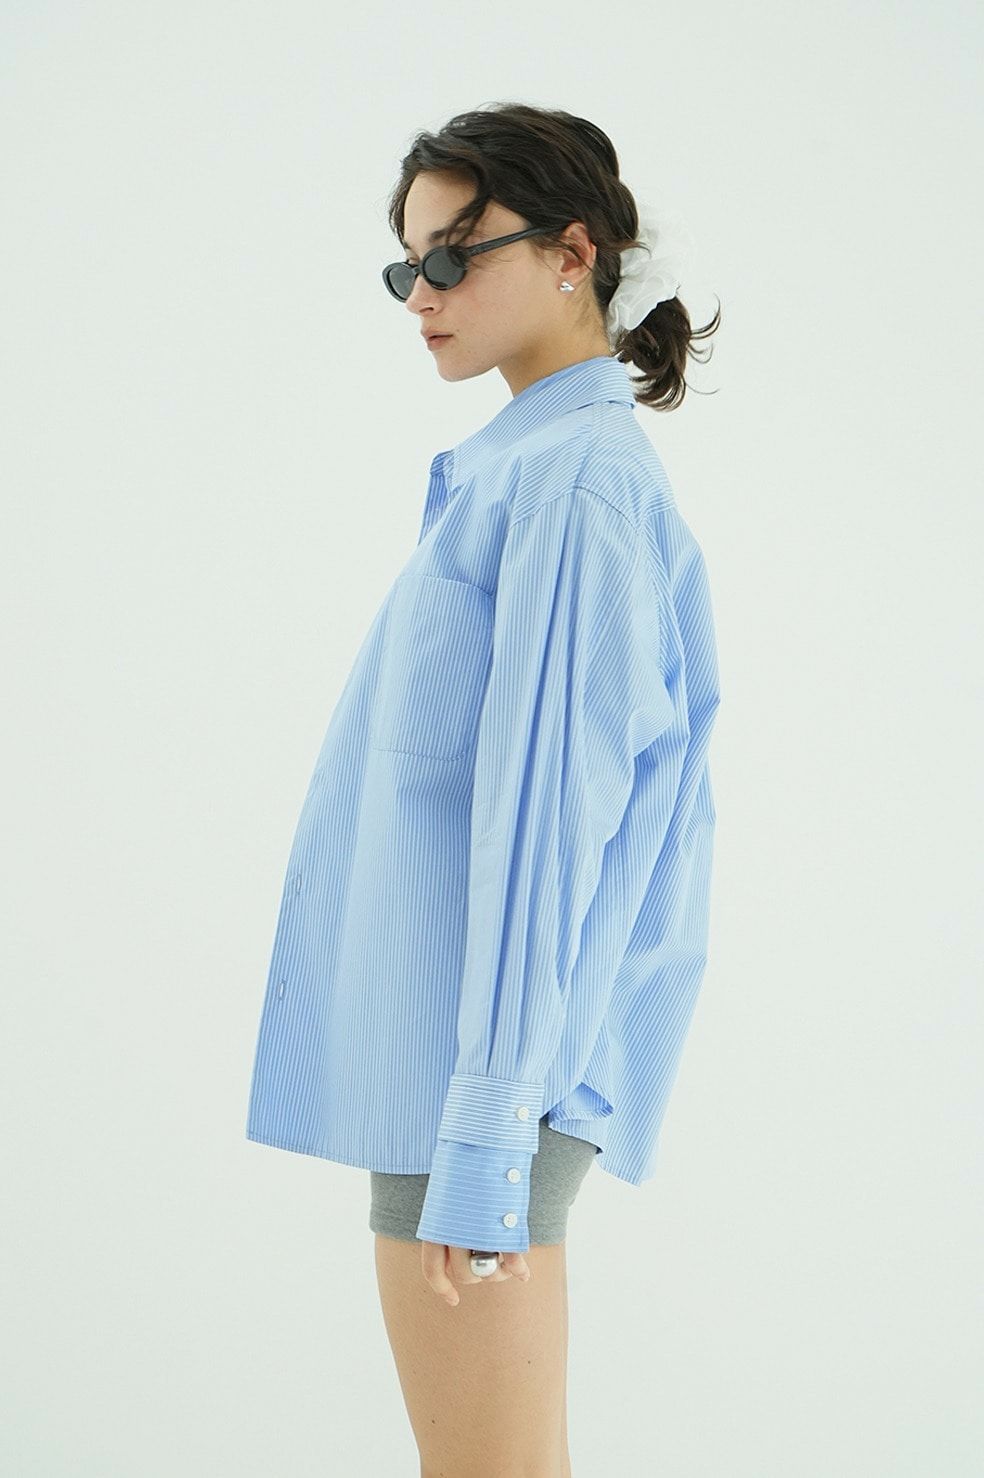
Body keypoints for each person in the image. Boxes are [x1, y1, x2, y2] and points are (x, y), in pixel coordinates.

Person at [245, 100, 722, 1477]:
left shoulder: (573, 483)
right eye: (409, 265)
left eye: (455, 257)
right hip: (456, 1059)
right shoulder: (528, 463)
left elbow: (550, 829)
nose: (423, 294)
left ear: (574, 253)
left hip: (480, 1074)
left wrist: (487, 1131)